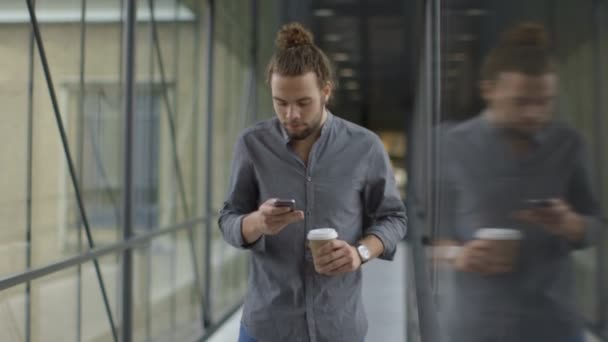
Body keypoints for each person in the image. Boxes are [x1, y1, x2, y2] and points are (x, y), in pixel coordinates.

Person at [218, 22, 408, 342]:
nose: (291, 114)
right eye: (281, 102)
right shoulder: (252, 145)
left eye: (303, 102)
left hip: (338, 326)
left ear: (326, 92)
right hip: (268, 327)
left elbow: (394, 218)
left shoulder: (365, 146)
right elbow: (228, 220)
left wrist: (359, 252)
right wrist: (258, 222)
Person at [435, 22, 602, 342]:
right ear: (489, 90)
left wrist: (570, 224)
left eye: (545, 102)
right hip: (478, 323)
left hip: (555, 321)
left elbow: (595, 225)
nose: (534, 113)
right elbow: (428, 241)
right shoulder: (450, 145)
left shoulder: (570, 144)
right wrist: (461, 256)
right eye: (521, 101)